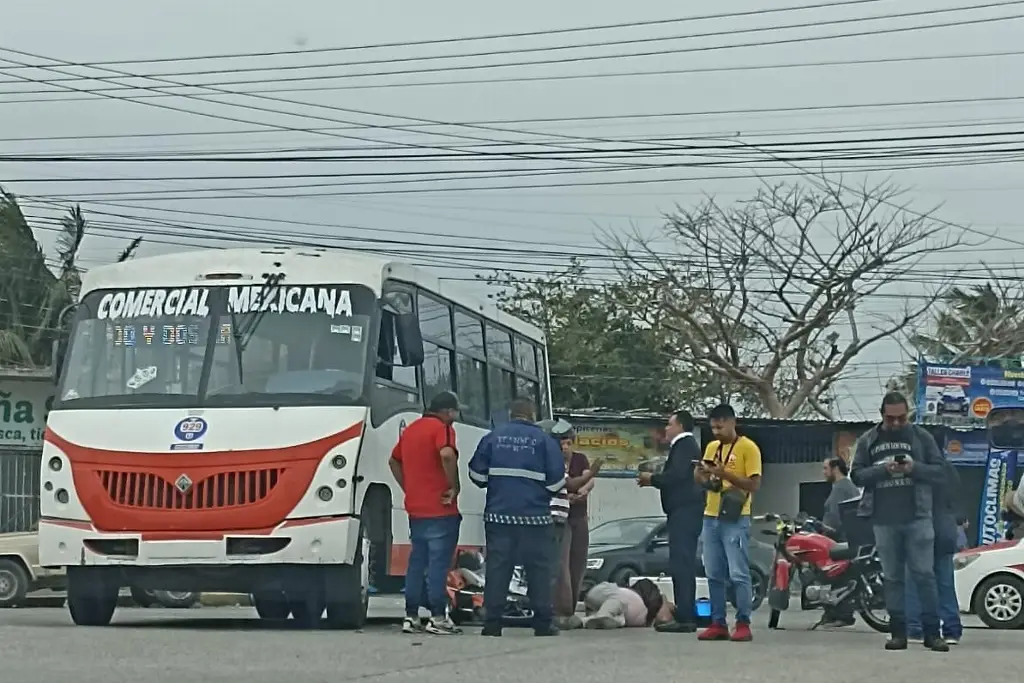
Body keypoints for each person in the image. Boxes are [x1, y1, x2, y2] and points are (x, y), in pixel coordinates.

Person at [850, 391, 950, 652]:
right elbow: (857, 475)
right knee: (892, 578)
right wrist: (884, 469)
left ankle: (932, 633)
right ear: (882, 415)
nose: (896, 423)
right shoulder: (868, 440)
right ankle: (898, 633)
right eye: (890, 418)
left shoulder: (921, 437)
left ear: (909, 415)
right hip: (883, 519)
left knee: (925, 575)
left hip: (918, 517)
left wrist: (913, 468)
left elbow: (941, 472)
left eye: (901, 418)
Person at [468, 396, 565, 637]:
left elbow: (477, 476)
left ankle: (492, 623)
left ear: (511, 414)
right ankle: (543, 623)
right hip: (536, 518)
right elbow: (556, 484)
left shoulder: (492, 437)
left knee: (498, 569)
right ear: (532, 416)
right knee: (539, 570)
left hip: (499, 516)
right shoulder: (546, 441)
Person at [389, 391, 462, 635]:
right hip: (441, 508)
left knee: (417, 563)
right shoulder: (442, 428)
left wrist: (409, 487)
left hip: (416, 508)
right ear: (448, 411)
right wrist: (454, 486)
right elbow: (446, 454)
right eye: (454, 412)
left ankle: (411, 616)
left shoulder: (411, 429)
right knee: (439, 564)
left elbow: (393, 461)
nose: (455, 416)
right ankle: (438, 616)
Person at [694, 404, 762, 642]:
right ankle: (718, 622)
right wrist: (701, 475)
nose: (716, 432)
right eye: (713, 427)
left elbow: (753, 485)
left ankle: (743, 622)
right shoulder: (712, 447)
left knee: (738, 573)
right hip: (711, 514)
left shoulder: (748, 448)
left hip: (735, 516)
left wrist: (726, 475)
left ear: (733, 422)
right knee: (713, 572)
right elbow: (705, 477)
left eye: (720, 426)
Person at [637, 409, 704, 633]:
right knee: (680, 561)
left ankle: (686, 617)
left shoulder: (684, 445)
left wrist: (652, 479)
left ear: (680, 426)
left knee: (682, 562)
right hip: (683, 511)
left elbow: (676, 476)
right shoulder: (684, 447)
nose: (666, 428)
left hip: (685, 511)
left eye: (669, 424)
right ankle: (685, 611)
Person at [905, 456, 963, 646]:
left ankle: (914, 629)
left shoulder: (915, 467)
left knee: (914, 580)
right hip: (945, 529)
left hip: (921, 528)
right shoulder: (947, 468)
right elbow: (955, 496)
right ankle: (951, 630)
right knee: (945, 583)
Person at [820, 455, 862, 628]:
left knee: (836, 576)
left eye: (825, 468)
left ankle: (841, 614)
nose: (823, 472)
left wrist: (824, 531)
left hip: (839, 540)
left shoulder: (841, 488)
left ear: (835, 468)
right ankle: (834, 613)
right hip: (848, 539)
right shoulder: (846, 487)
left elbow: (835, 518)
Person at [580, 578, 665, 629]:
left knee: (620, 620)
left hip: (601, 607)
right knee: (619, 600)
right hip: (605, 593)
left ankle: (583, 622)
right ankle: (604, 615)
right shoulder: (631, 595)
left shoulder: (644, 618)